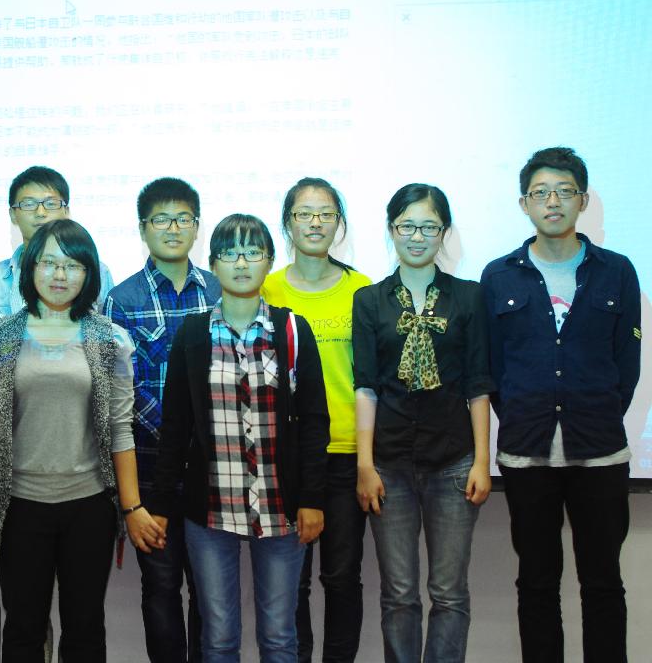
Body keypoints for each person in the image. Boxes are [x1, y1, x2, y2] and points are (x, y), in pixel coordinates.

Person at [0, 219, 165, 662]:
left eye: (73, 265)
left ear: (88, 273)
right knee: (22, 628)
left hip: (89, 507)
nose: (60, 275)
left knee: (85, 628)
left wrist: (132, 507)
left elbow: (121, 430)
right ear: (30, 268)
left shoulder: (109, 339)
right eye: (49, 263)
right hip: (18, 506)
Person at [481, 147, 640, 663]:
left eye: (565, 192)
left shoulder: (617, 271)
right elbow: (493, 367)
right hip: (527, 455)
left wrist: (595, 412)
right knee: (536, 584)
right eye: (541, 193)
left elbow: (627, 364)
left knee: (602, 583)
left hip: (600, 453)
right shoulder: (499, 276)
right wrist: (524, 414)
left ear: (583, 200)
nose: (553, 202)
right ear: (524, 204)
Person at [149, 214, 330, 662]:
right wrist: (161, 506)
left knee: (279, 636)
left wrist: (313, 498)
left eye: (253, 252)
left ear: (269, 260)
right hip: (211, 510)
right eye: (230, 253)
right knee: (219, 638)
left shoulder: (292, 330)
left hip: (281, 507)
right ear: (213, 264)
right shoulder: (193, 334)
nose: (242, 263)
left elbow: (314, 421)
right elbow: (175, 428)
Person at [353, 183, 493, 663]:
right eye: (407, 226)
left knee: (449, 592)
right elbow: (366, 386)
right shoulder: (369, 300)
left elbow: (478, 385)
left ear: (444, 231)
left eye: (429, 227)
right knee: (399, 594)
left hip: (453, 461)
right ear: (391, 229)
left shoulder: (468, 297)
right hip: (388, 464)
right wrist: (365, 465)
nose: (417, 237)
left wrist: (481, 462)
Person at [105, 177, 220, 662]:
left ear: (196, 226)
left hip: (214, 469)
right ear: (142, 228)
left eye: (182, 219)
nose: (173, 228)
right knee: (161, 586)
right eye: (161, 220)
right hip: (151, 468)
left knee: (211, 592)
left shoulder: (219, 290)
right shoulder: (122, 299)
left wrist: (198, 430)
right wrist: (179, 426)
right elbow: (119, 389)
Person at [261, 178, 371, 663]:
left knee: (342, 577)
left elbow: (371, 379)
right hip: (287, 457)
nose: (315, 223)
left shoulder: (362, 289)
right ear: (287, 223)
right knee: (293, 582)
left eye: (326, 214)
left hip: (346, 453)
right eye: (304, 214)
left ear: (339, 223)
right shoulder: (267, 287)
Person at [0, 165, 116, 334]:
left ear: (66, 212)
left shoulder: (98, 271)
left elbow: (107, 338)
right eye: (28, 204)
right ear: (13, 215)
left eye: (51, 204)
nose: (40, 212)